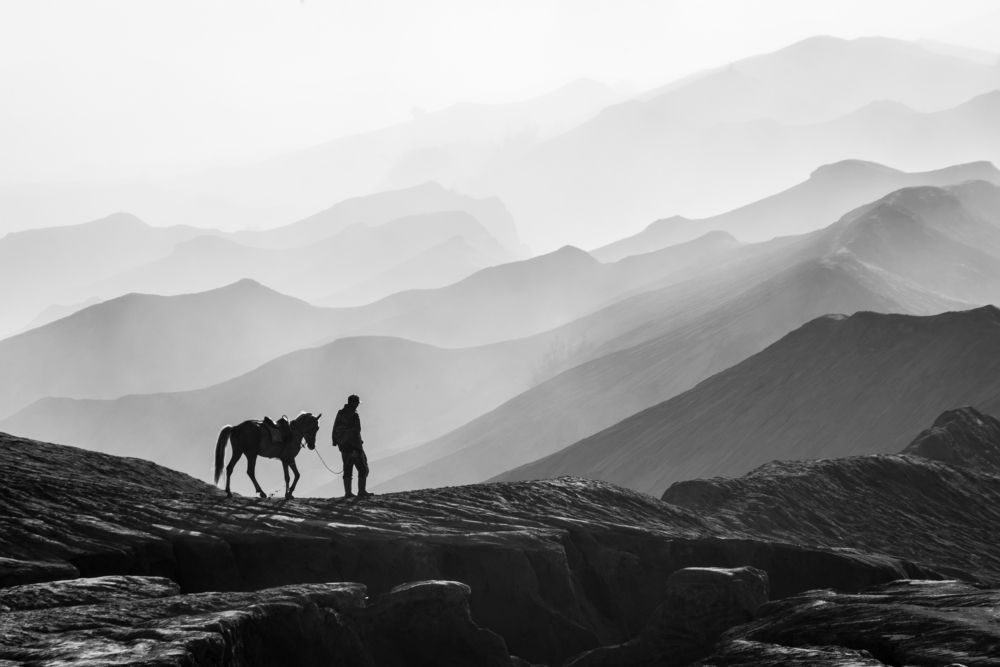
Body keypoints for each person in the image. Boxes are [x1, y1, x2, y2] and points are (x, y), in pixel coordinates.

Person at [331, 394, 370, 498]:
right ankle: (361, 491)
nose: (357, 405)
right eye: (357, 403)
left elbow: (335, 427)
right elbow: (357, 430)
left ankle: (348, 493)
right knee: (362, 468)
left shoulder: (340, 413)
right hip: (355, 445)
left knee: (347, 469)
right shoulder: (354, 415)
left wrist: (335, 441)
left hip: (343, 446)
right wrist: (357, 445)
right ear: (354, 403)